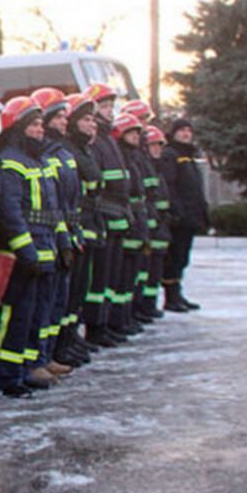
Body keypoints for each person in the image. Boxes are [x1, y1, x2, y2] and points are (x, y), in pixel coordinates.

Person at [0, 97, 60, 397]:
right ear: (18, 127)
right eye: (33, 124)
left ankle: (26, 367)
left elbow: (51, 208)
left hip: (43, 246)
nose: (39, 130)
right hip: (22, 253)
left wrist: (60, 242)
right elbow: (11, 212)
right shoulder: (9, 160)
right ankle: (8, 376)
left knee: (34, 313)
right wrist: (26, 250)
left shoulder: (38, 160)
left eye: (41, 124)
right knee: (15, 316)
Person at [31, 87, 87, 370]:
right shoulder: (45, 154)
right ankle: (42, 356)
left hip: (62, 233)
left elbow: (69, 199)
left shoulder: (62, 153)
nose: (65, 122)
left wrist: (69, 235)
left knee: (58, 301)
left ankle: (51, 353)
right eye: (60, 117)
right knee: (40, 305)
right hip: (46, 236)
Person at [82, 83, 132, 347]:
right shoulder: (96, 140)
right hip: (103, 215)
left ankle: (106, 321)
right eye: (103, 106)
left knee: (110, 276)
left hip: (115, 214)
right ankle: (95, 326)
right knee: (98, 276)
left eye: (111, 106)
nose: (109, 111)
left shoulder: (107, 138)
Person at [60, 93, 105, 356]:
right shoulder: (70, 150)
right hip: (77, 225)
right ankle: (64, 342)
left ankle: (71, 336)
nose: (93, 124)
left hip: (87, 224)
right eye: (87, 119)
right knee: (71, 288)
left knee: (79, 288)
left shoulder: (84, 149)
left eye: (94, 120)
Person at [159, 118, 208, 311]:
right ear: (174, 133)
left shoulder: (188, 156)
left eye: (189, 130)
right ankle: (171, 297)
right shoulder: (171, 154)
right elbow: (170, 185)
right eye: (182, 130)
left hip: (190, 216)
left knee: (182, 257)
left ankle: (178, 293)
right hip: (179, 218)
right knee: (174, 257)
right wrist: (176, 211)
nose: (186, 134)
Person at [109, 112, 151, 333]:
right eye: (132, 132)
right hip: (127, 220)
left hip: (136, 220)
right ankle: (118, 320)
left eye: (138, 132)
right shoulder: (123, 157)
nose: (136, 136)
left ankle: (125, 317)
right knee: (122, 275)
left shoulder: (133, 157)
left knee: (131, 274)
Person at [142, 124, 175, 316]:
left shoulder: (158, 168)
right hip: (150, 227)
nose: (157, 149)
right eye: (153, 145)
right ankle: (144, 306)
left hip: (160, 226)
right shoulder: (146, 167)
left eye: (159, 145)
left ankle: (150, 305)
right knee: (145, 271)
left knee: (155, 271)